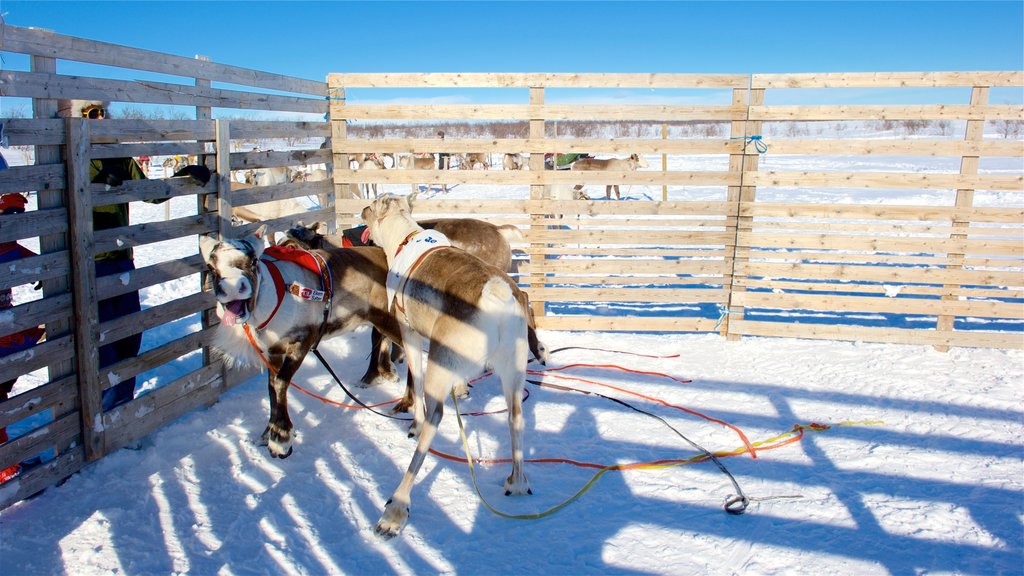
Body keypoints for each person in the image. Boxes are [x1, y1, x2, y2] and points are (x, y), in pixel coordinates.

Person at [56, 100, 165, 411]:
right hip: (88, 262)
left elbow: (151, 192)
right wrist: (90, 188)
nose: (100, 118)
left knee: (129, 334)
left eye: (103, 112)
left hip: (121, 258)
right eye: (91, 113)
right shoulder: (68, 156)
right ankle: (104, 409)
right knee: (100, 340)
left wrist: (183, 178)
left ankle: (122, 404)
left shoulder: (118, 155)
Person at [0, 192, 46, 482]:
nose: (14, 224)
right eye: (9, 217)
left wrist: (40, 267)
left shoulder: (8, 244)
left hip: (9, 332)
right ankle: (5, 469)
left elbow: (19, 251)